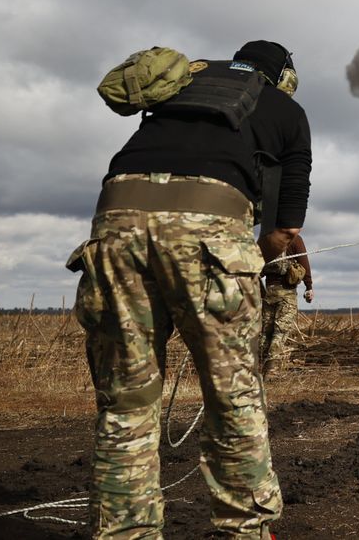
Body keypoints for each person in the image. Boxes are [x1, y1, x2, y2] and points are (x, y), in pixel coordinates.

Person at [69, 40, 311, 539]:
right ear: (283, 76)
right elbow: (281, 235)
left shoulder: (185, 83)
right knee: (233, 400)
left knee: (126, 405)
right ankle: (245, 532)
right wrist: (271, 266)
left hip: (116, 223)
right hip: (210, 228)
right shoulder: (287, 110)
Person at [259, 233, 314, 377]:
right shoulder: (294, 238)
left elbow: (256, 268)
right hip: (287, 293)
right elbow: (304, 263)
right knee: (280, 331)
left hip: (268, 292)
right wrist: (309, 286)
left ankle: (258, 369)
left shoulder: (265, 239)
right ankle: (271, 370)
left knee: (266, 332)